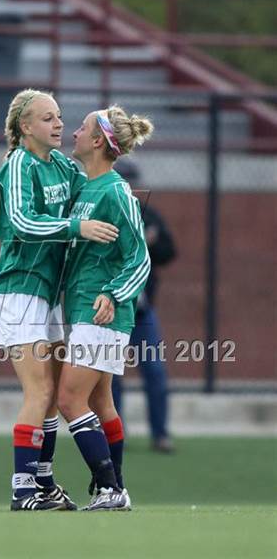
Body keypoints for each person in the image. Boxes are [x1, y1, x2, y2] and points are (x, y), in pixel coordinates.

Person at [0, 89, 120, 511]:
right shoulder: (17, 165)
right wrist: (76, 227)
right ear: (25, 127)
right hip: (18, 289)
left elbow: (96, 190)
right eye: (47, 118)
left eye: (60, 116)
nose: (59, 124)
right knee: (41, 390)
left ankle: (43, 485)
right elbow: (22, 222)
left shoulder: (63, 164)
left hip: (49, 293)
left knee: (56, 391)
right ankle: (23, 489)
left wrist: (122, 205)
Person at [57, 105, 153, 511]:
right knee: (100, 403)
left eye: (82, 127)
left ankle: (111, 488)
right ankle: (114, 490)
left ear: (98, 141)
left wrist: (113, 294)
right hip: (83, 309)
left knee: (68, 400)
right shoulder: (85, 186)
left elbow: (140, 258)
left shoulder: (115, 191)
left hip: (103, 312)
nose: (73, 131)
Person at [111, 160, 177, 453]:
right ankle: (115, 435)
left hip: (141, 311)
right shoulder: (106, 215)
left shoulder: (149, 216)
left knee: (154, 371)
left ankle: (160, 433)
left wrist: (150, 243)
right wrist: (138, 241)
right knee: (110, 377)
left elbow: (169, 252)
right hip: (110, 310)